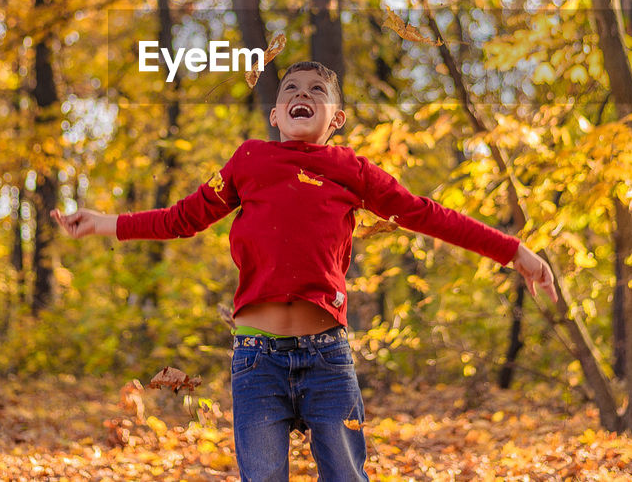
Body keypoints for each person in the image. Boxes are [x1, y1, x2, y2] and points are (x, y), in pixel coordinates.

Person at [53, 60, 557, 481]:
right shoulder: (248, 160)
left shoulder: (353, 170)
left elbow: (427, 214)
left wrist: (515, 252)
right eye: (291, 89)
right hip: (257, 361)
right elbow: (182, 218)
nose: (303, 94)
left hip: (328, 361)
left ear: (335, 118)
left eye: (318, 91)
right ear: (275, 114)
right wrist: (105, 223)